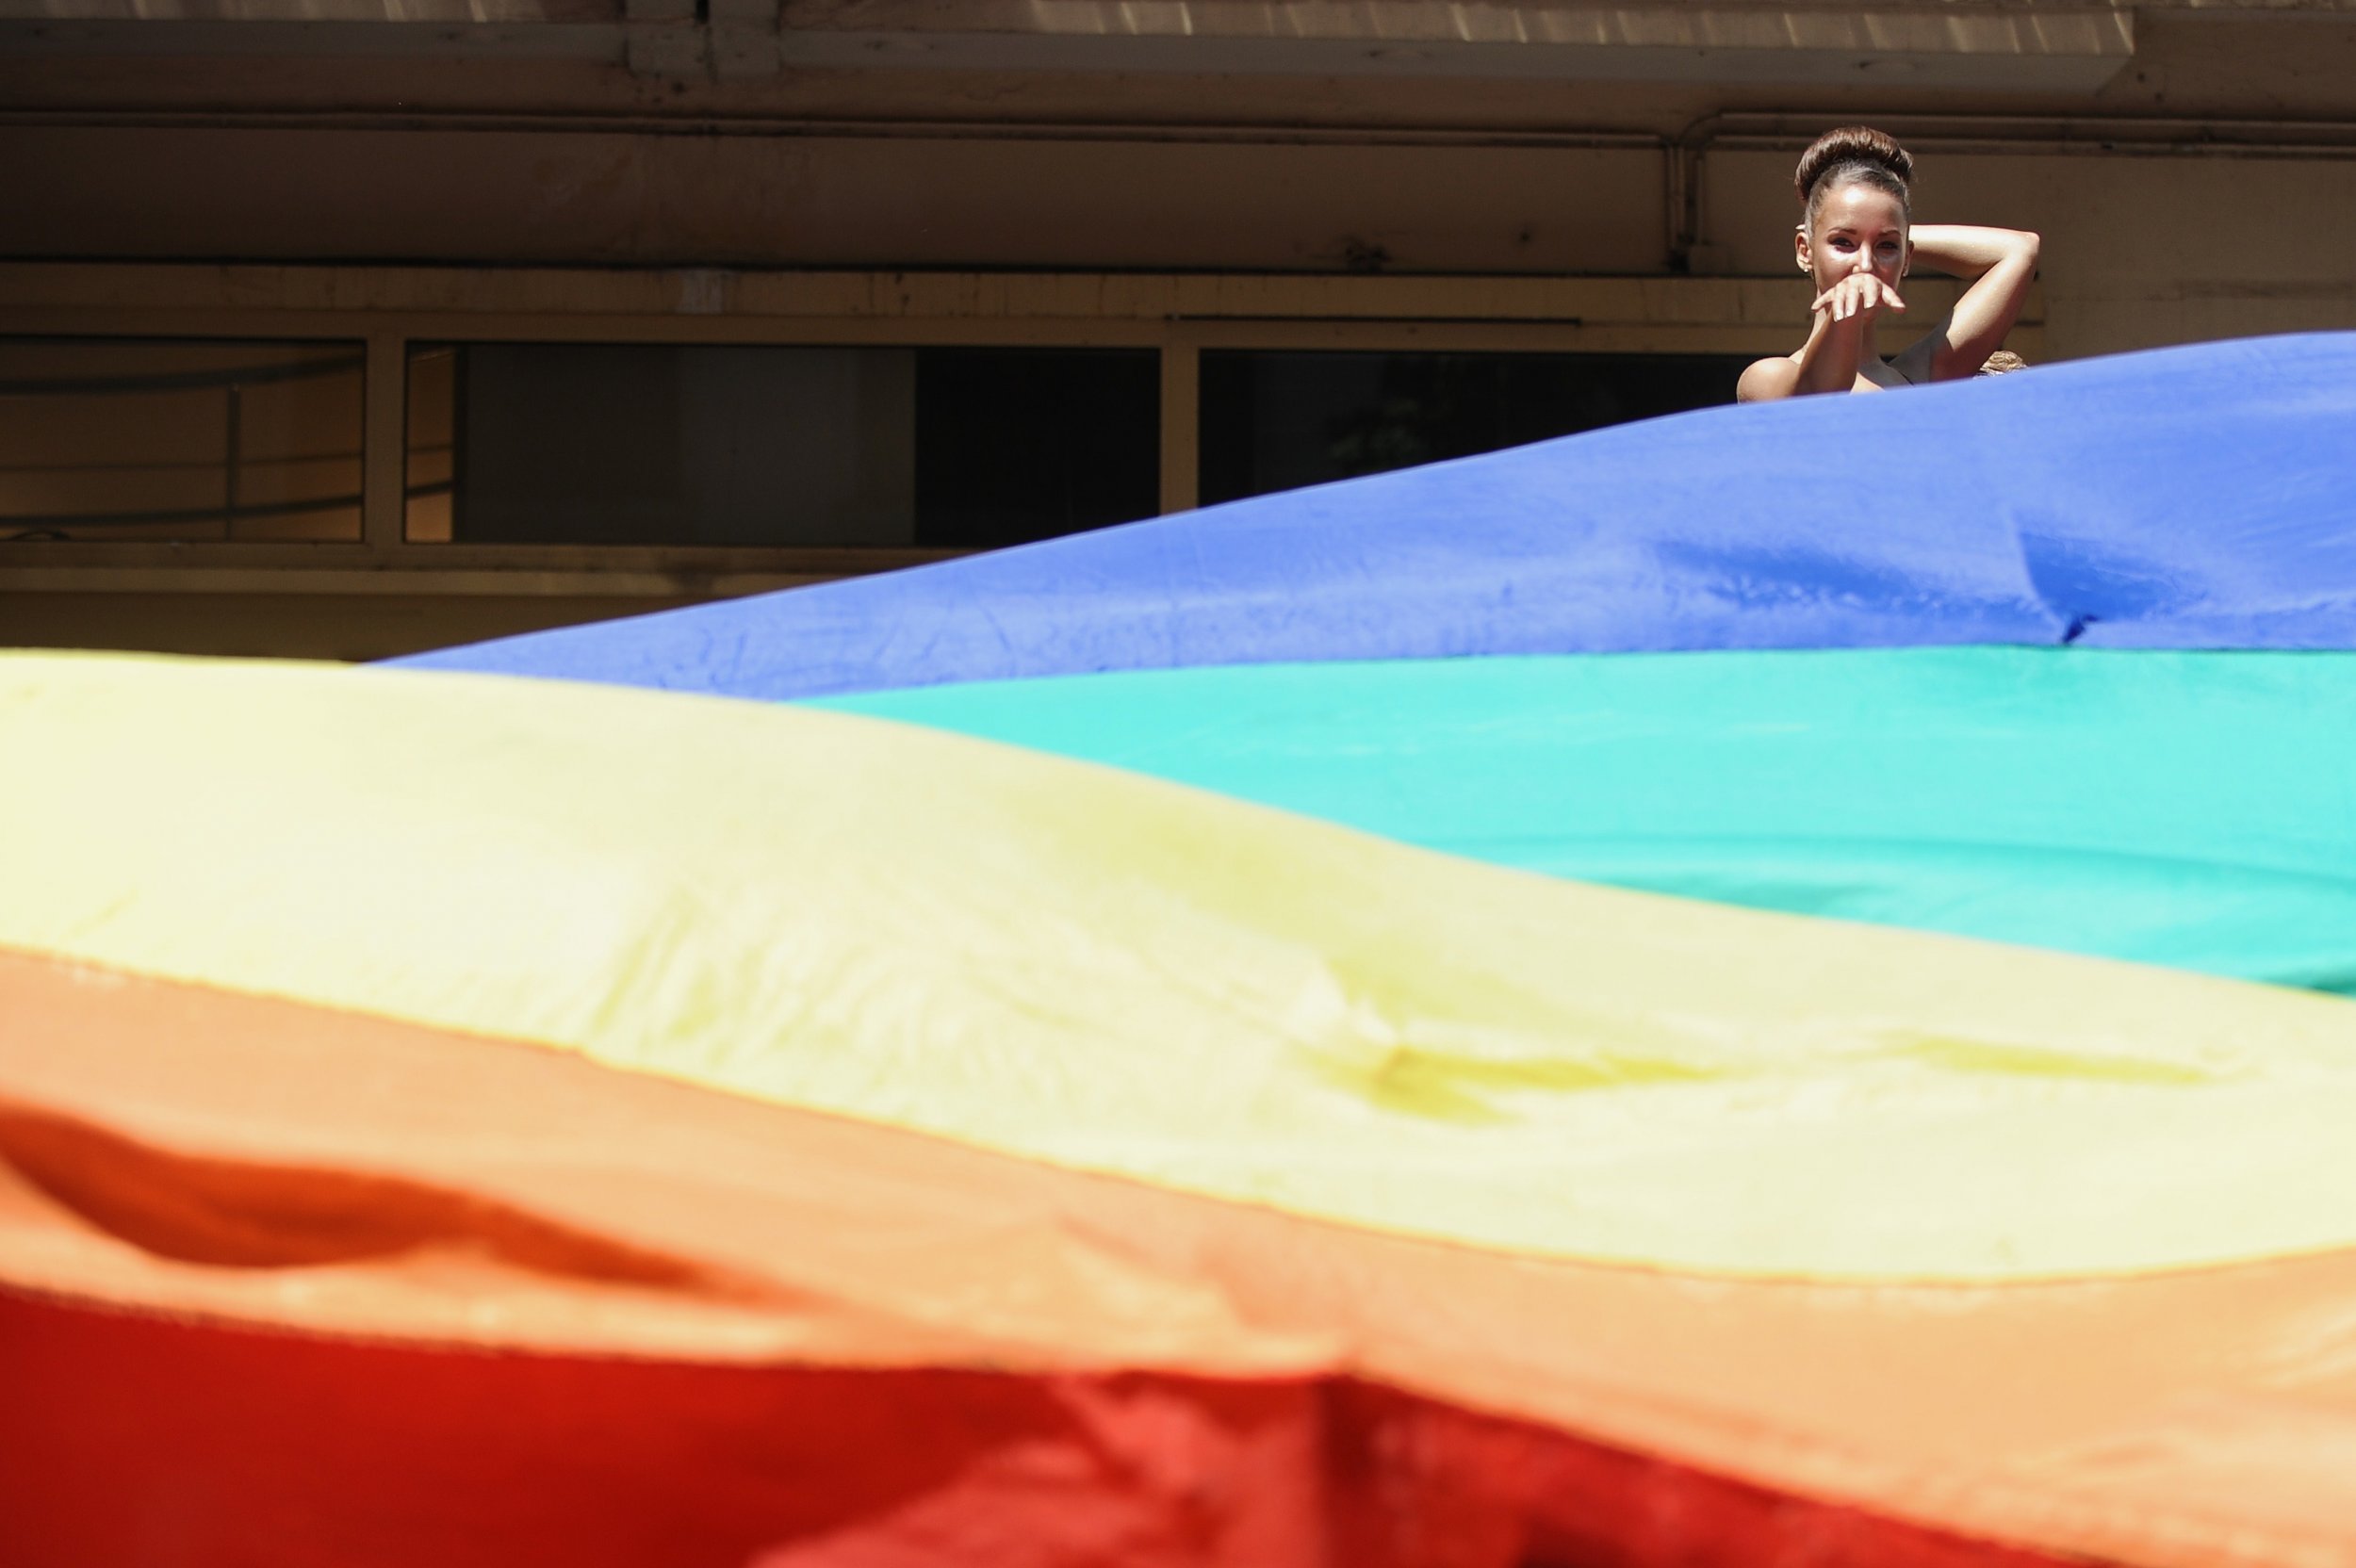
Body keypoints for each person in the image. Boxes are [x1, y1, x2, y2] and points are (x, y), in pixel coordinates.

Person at [1738, 127, 2040, 401]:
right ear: (1805, 250)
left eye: (1886, 247)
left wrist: (1892, 233)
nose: (1864, 263)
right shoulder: (1771, 378)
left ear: (1906, 258)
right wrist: (1850, 302)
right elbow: (1820, 402)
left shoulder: (1919, 378)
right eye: (1843, 242)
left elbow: (2019, 250)